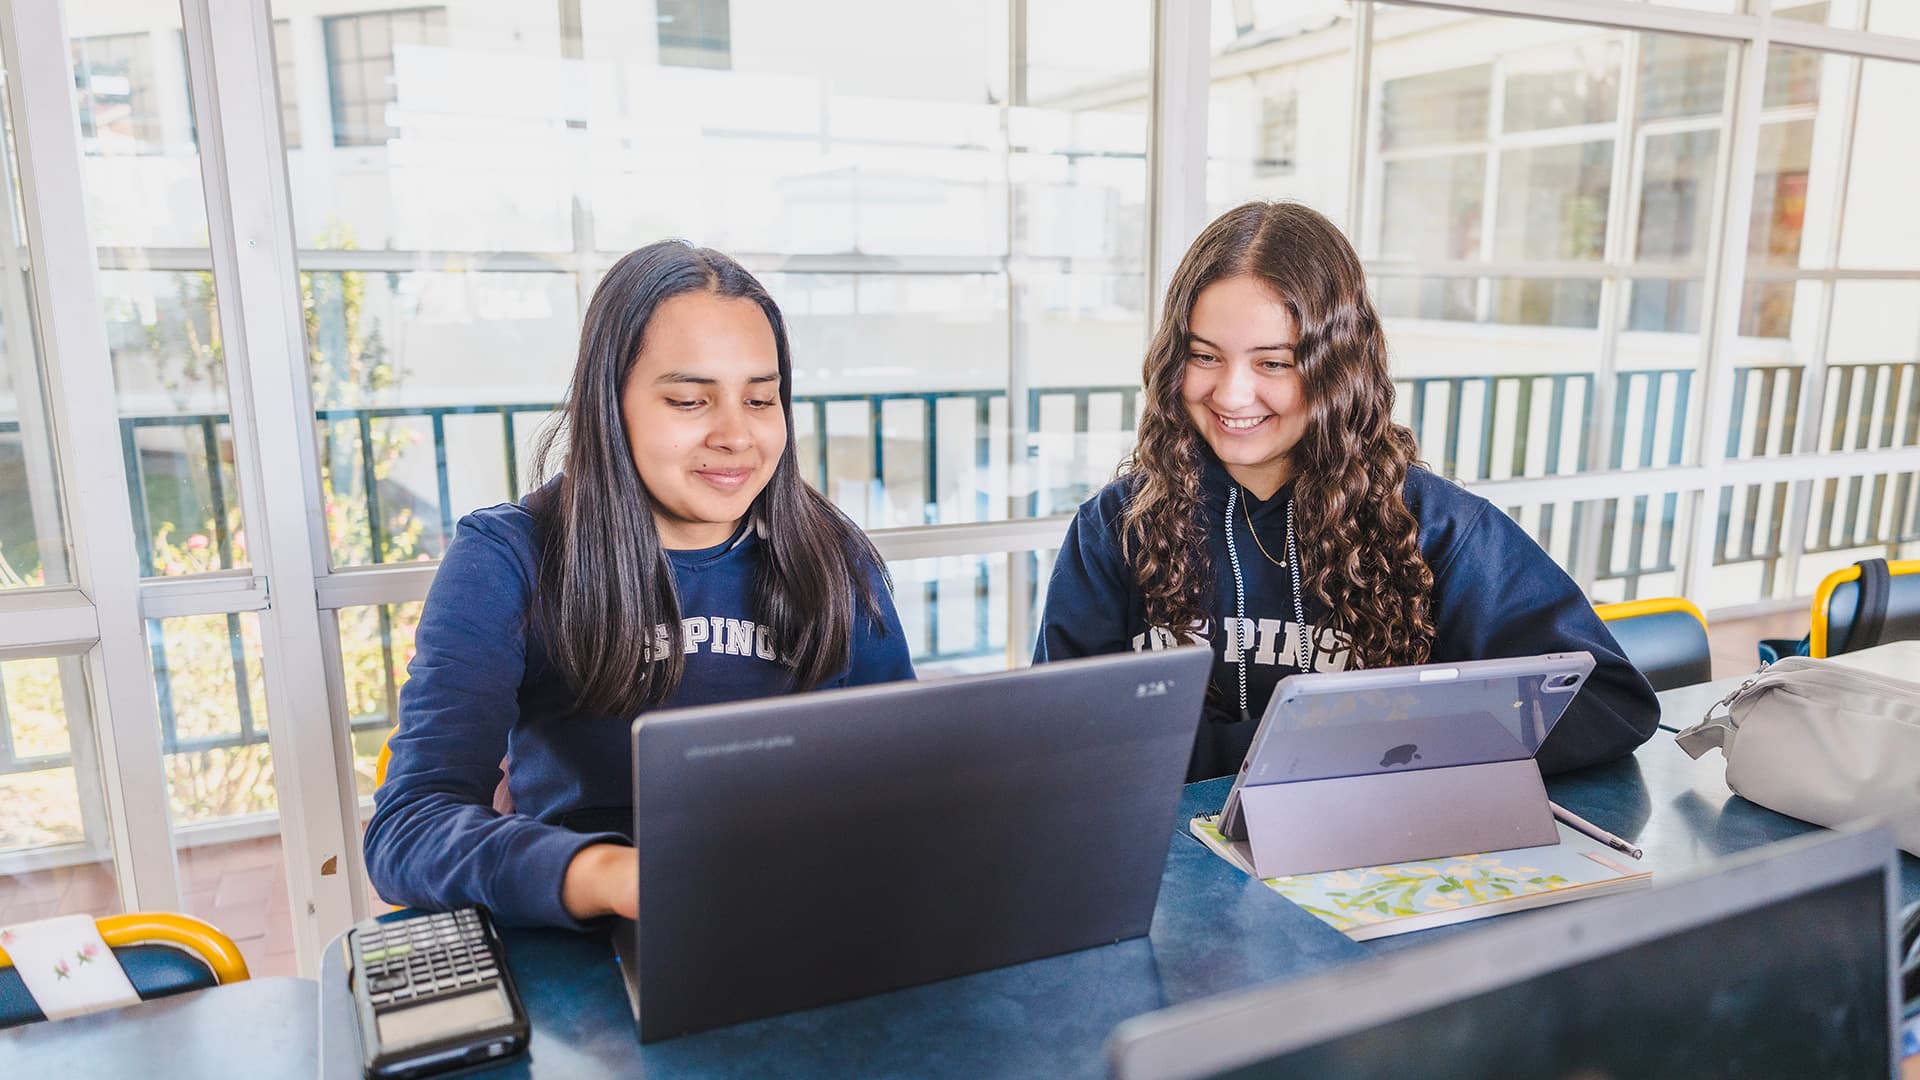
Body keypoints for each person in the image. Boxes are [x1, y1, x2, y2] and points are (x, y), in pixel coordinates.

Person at [364, 241, 914, 927]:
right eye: (689, 400)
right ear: (608, 403)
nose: (737, 436)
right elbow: (409, 829)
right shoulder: (507, 558)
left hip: (799, 917)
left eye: (761, 399)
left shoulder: (832, 557)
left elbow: (907, 785)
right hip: (593, 943)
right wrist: (610, 875)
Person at [1035, 202, 1656, 783]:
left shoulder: (1435, 527)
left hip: (1376, 863)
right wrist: (1344, 743)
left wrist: (1358, 749)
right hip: (1172, 881)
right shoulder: (1114, 528)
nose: (1230, 394)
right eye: (1205, 356)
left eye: (1274, 362)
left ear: (1338, 367)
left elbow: (1608, 704)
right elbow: (1054, 738)